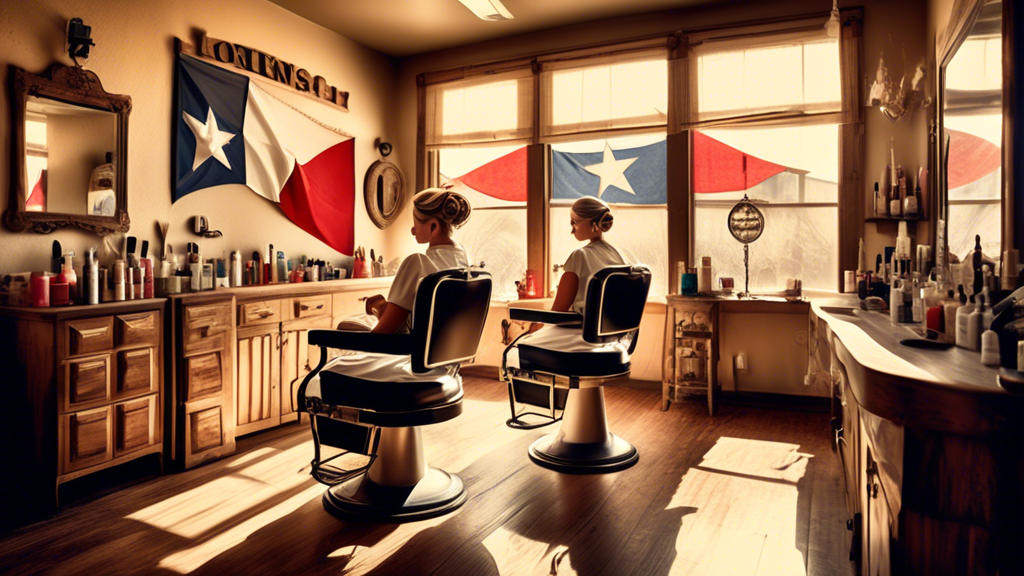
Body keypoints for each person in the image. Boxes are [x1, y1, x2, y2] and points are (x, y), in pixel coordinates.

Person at [369, 188, 472, 334]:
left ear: (433, 227)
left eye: (415, 224)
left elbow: (384, 333)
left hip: (413, 353)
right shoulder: (462, 261)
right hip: (452, 355)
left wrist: (379, 307)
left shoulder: (417, 263)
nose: (412, 230)